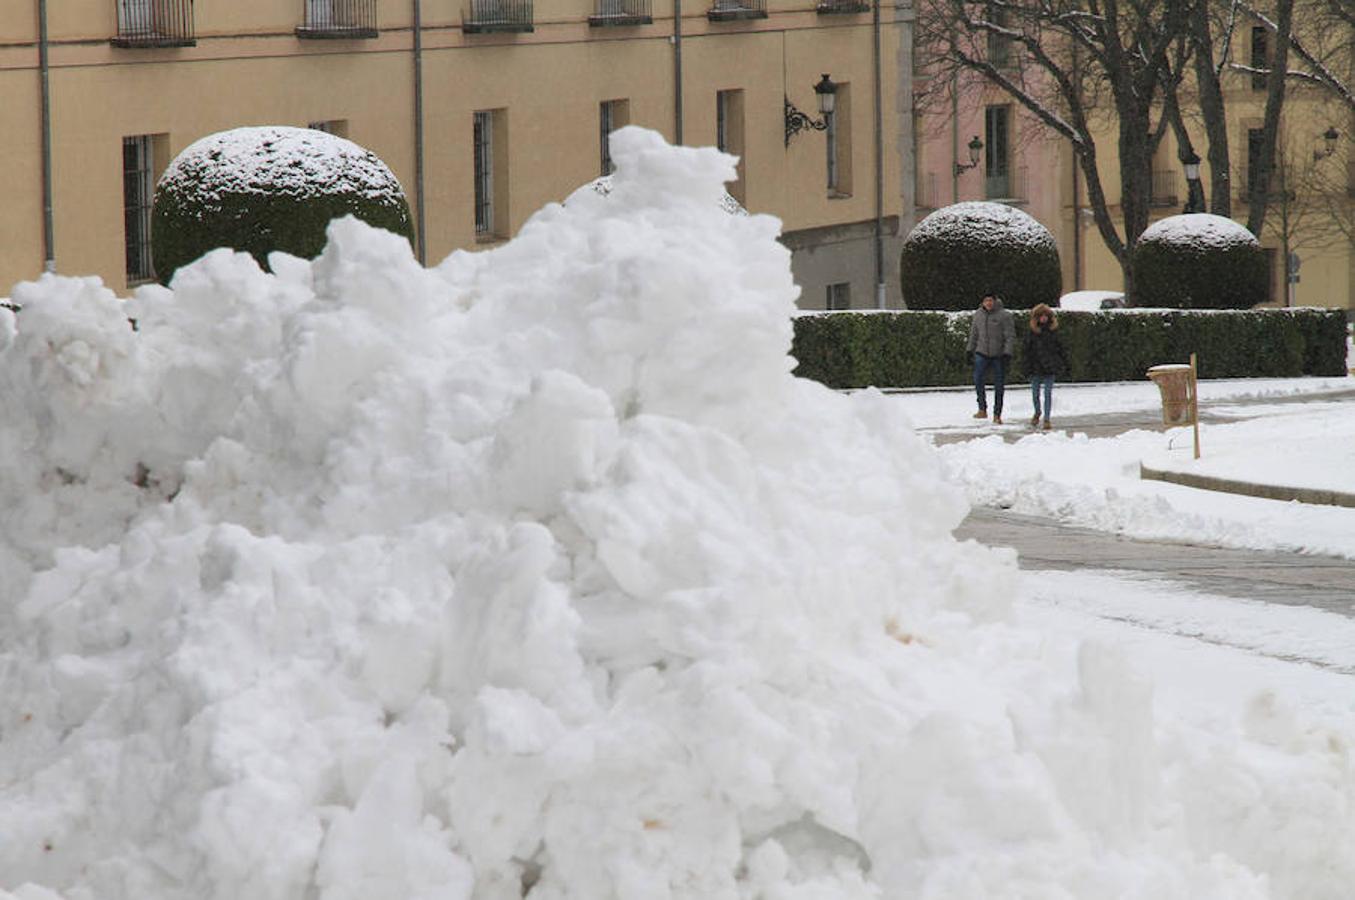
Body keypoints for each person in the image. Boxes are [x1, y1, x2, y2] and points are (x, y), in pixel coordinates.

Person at [966, 292, 1015, 424]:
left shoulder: (1004, 315)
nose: (988, 303)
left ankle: (997, 414)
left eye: (990, 300)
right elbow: (974, 334)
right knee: (977, 380)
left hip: (998, 355)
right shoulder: (978, 314)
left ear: (995, 301)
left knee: (999, 385)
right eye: (986, 301)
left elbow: (1010, 336)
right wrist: (970, 350)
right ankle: (982, 408)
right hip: (981, 353)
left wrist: (1007, 353)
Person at [1022, 303, 1069, 431]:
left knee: (1048, 394)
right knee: (1035, 394)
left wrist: (1063, 363)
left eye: (1045, 316)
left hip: (1050, 367)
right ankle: (1037, 412)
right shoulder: (1031, 333)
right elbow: (1026, 351)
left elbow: (1060, 349)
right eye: (1040, 316)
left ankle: (1047, 419)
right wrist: (1026, 367)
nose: (1043, 318)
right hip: (1035, 367)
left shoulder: (1054, 332)